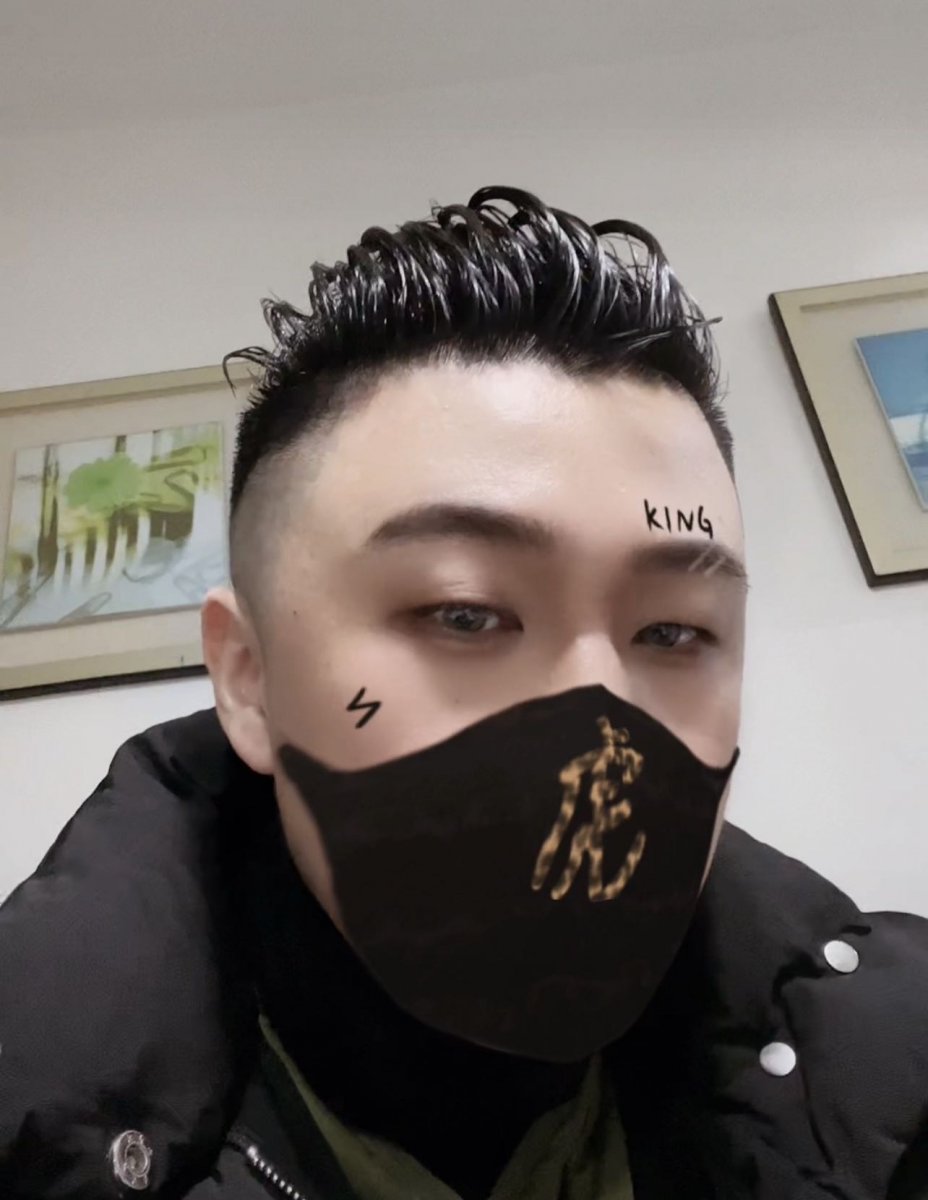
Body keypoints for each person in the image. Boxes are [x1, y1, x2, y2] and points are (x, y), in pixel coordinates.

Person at [1, 186, 926, 1200]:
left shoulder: (891, 1090)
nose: (601, 732)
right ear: (249, 679)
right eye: (465, 615)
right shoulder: (39, 1128)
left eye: (672, 632)